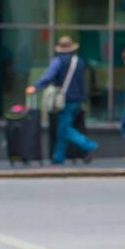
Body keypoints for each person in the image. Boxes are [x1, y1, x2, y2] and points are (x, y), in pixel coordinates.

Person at [27, 36, 98, 164]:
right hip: (77, 100)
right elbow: (82, 82)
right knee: (62, 129)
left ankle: (88, 146)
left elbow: (49, 76)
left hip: (63, 100)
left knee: (64, 129)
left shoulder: (58, 61)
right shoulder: (80, 62)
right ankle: (58, 158)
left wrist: (36, 87)